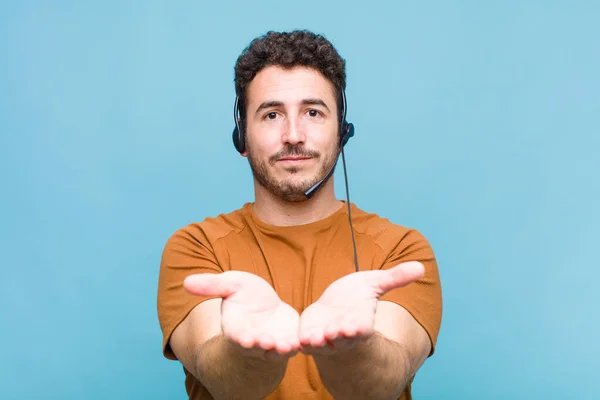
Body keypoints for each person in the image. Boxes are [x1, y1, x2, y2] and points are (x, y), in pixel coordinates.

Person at [157, 30, 443, 400]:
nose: (293, 135)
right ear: (242, 137)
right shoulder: (195, 248)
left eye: (313, 112)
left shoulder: (401, 252)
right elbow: (226, 381)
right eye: (272, 114)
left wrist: (351, 347)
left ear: (341, 131)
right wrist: (250, 351)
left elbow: (382, 384)